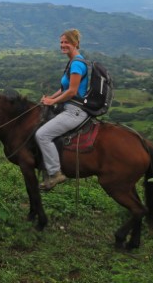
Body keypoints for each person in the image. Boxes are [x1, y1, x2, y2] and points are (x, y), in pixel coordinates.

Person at [35, 28, 89, 191]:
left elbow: (72, 91)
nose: (63, 45)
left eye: (66, 42)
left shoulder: (77, 65)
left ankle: (55, 173)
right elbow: (64, 88)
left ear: (75, 43)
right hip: (69, 107)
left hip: (75, 111)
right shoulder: (73, 62)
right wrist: (50, 98)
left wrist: (53, 102)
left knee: (42, 135)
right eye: (61, 42)